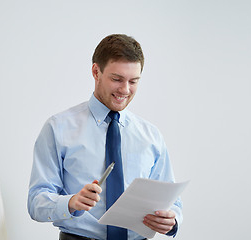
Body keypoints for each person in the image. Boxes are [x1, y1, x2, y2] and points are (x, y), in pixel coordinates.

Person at [27, 34, 182, 240]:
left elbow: (172, 202)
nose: (125, 90)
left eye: (133, 81)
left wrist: (171, 220)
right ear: (96, 72)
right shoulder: (58, 128)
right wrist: (71, 202)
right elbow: (36, 202)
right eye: (116, 79)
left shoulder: (151, 136)